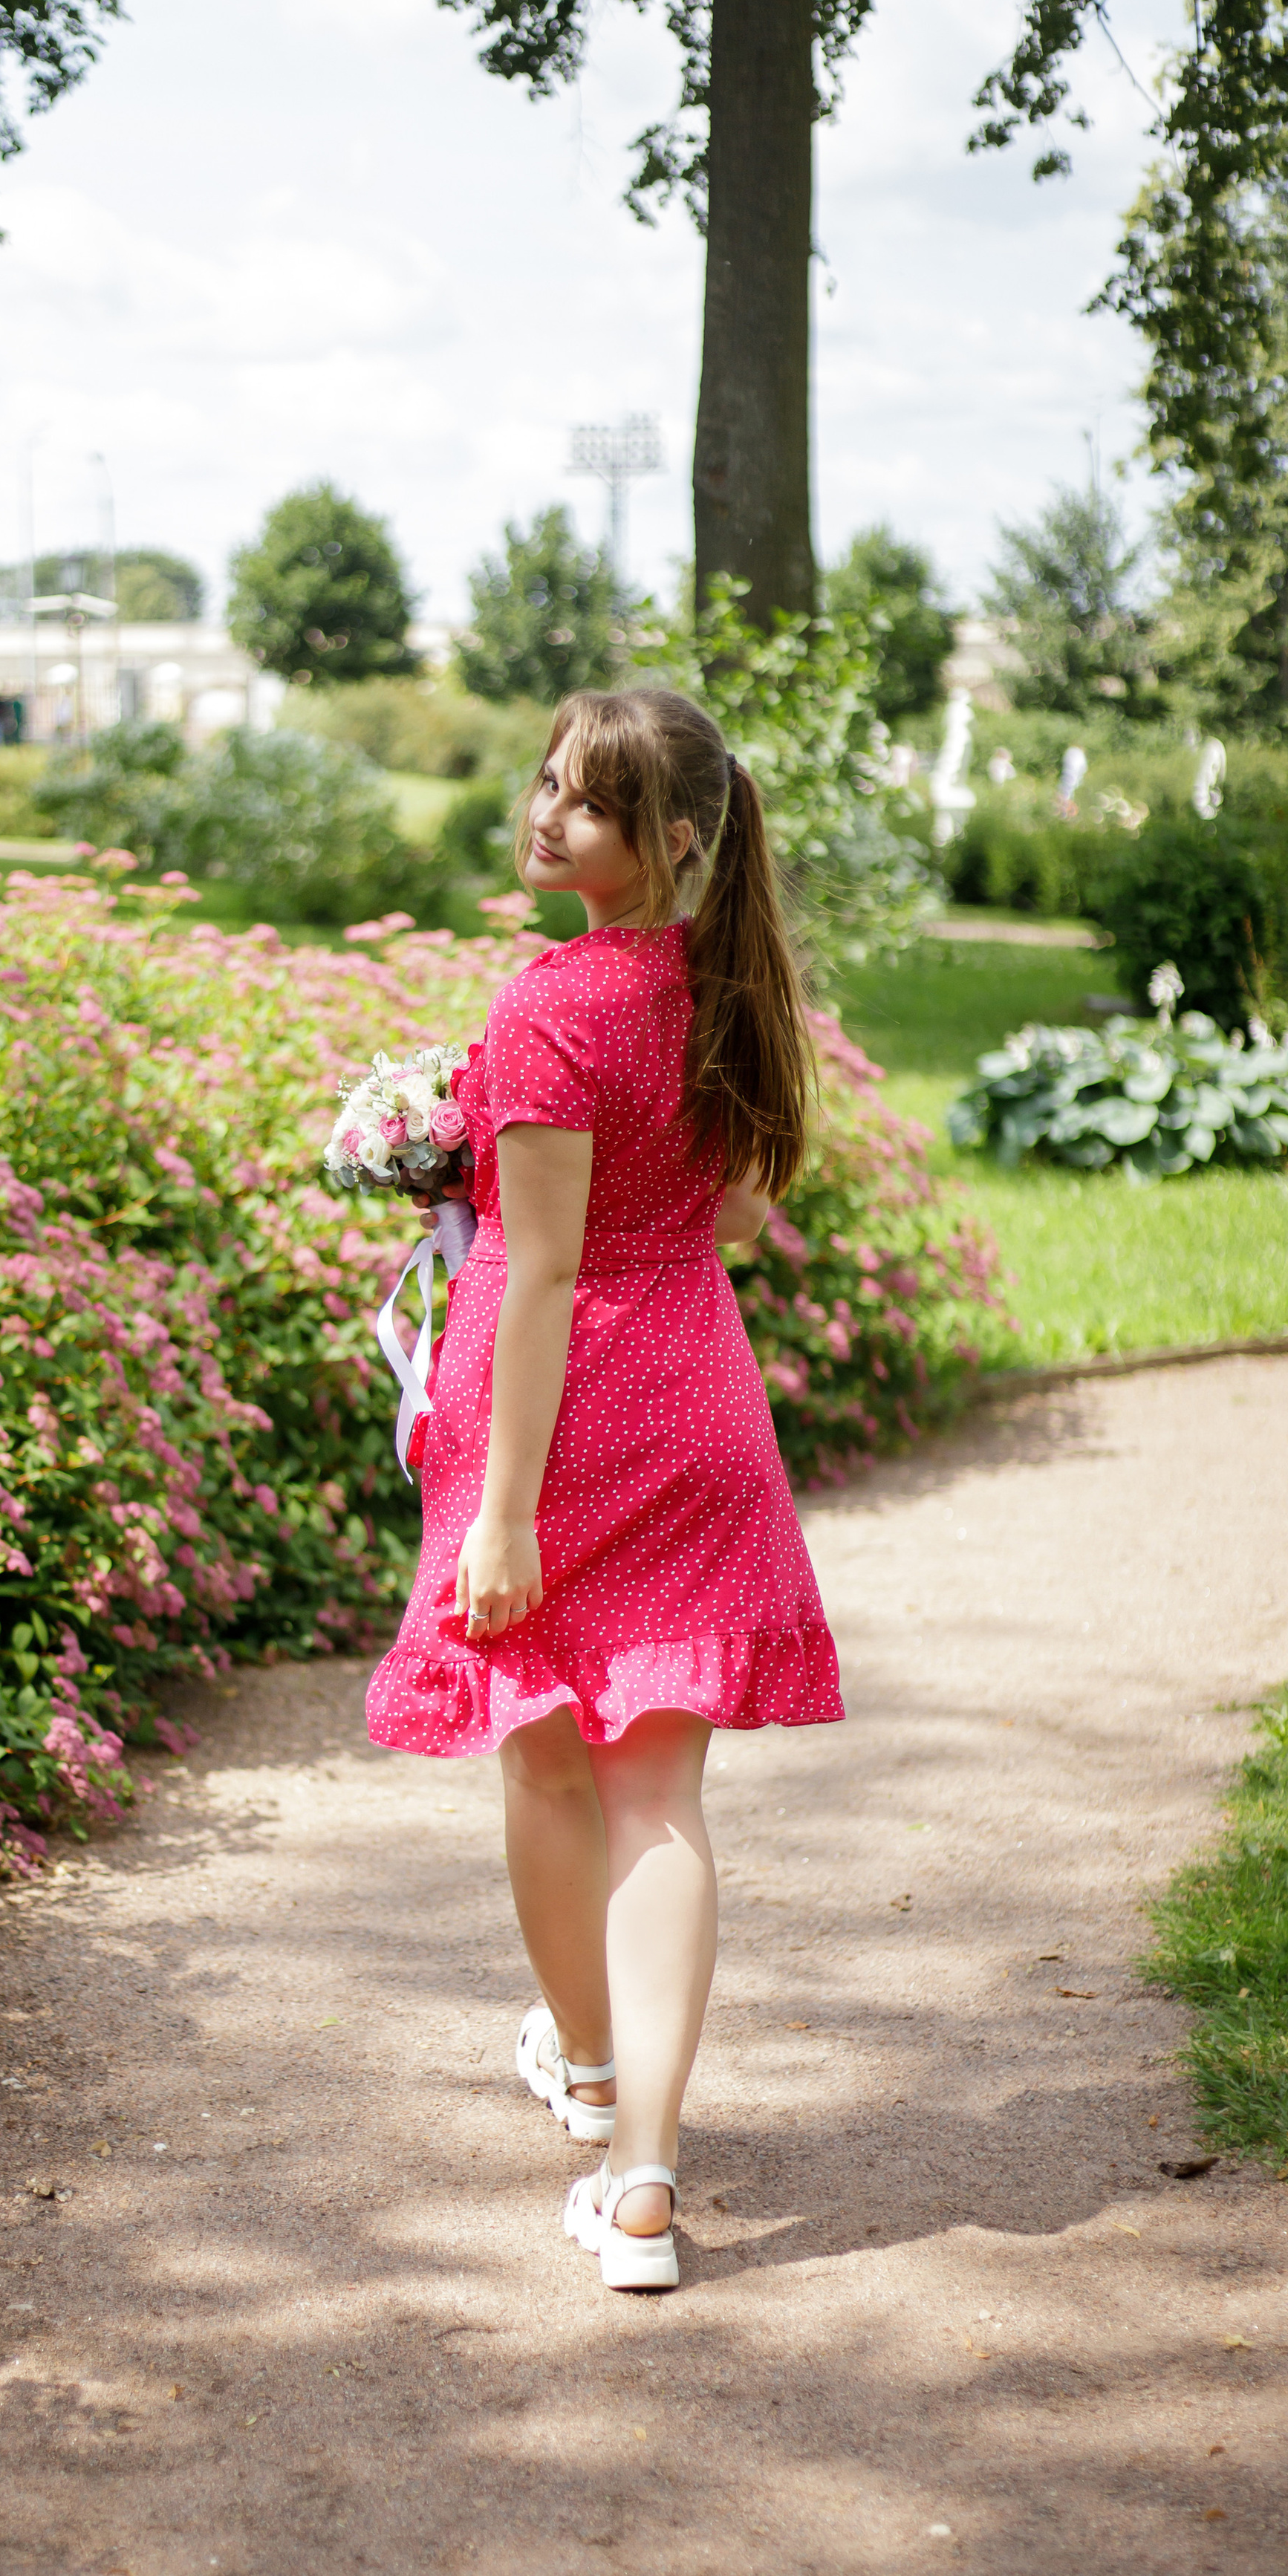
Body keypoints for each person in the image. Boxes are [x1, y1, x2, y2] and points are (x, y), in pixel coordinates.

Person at [365, 688, 842, 2292]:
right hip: (697, 1398)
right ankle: (635, 2171)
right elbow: (734, 1221)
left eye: (587, 801)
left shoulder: (550, 1004)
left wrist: (499, 1514)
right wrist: (482, 1158)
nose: (545, 815)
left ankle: (588, 2067)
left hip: (557, 1423)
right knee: (660, 1796)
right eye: (548, 786)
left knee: (551, 1770)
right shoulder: (733, 986)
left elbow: (548, 1274)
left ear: (673, 837)